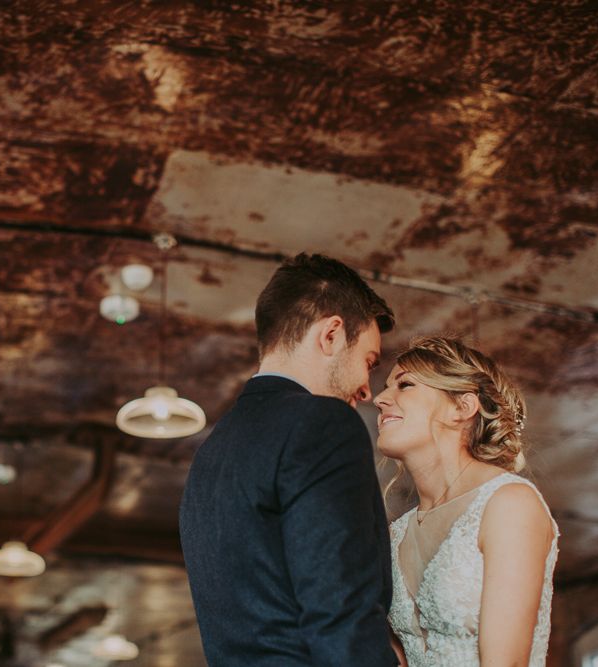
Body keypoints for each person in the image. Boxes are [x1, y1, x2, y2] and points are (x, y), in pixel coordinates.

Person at [180, 253, 399, 667]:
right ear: (331, 334)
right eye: (368, 362)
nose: (367, 390)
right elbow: (341, 613)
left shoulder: (211, 452)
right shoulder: (324, 424)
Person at [374, 336, 558, 667]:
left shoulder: (508, 504)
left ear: (463, 407)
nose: (380, 399)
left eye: (405, 385)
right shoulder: (395, 533)